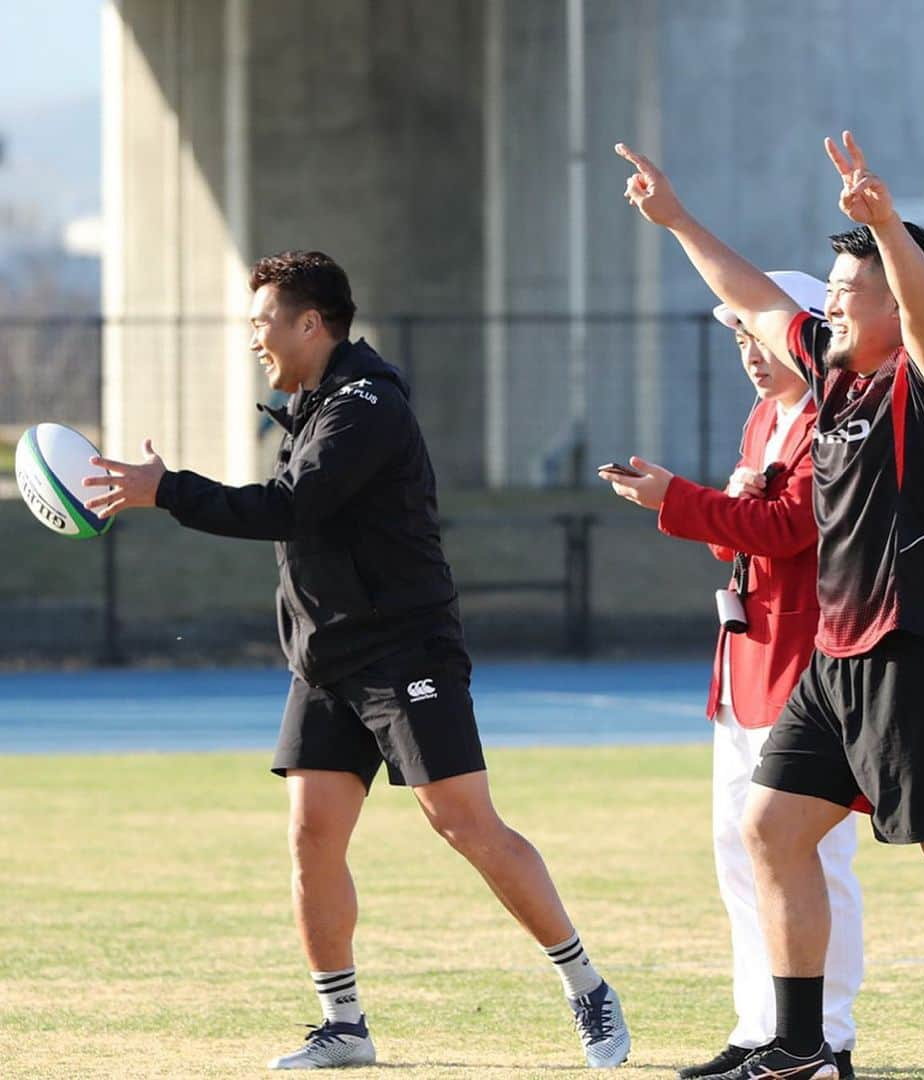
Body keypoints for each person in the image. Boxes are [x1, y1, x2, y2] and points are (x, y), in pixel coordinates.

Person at [82, 250, 631, 1072]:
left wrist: (169, 490)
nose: (254, 336)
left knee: (464, 823)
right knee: (311, 838)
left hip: (405, 649)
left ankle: (585, 982)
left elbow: (292, 508)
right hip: (327, 660)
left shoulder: (365, 406)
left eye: (263, 320)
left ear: (311, 322)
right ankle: (344, 1025)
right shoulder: (309, 403)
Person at [614, 133, 924, 1080]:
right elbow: (754, 300)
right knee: (770, 829)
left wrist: (886, 225)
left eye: (850, 294)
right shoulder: (834, 373)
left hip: (921, 651)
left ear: (893, 303)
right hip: (838, 653)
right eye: (834, 292)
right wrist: (677, 217)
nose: (831, 305)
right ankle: (803, 1047)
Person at [601, 271, 862, 1080]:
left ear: (804, 329)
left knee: (813, 856)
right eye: (738, 337)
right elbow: (742, 541)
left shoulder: (832, 414)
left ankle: (827, 1035)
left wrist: (679, 499)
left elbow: (790, 530)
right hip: (746, 659)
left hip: (808, 663)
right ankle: (762, 1029)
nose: (748, 351)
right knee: (736, 849)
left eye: (758, 333)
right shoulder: (765, 416)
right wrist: (717, 501)